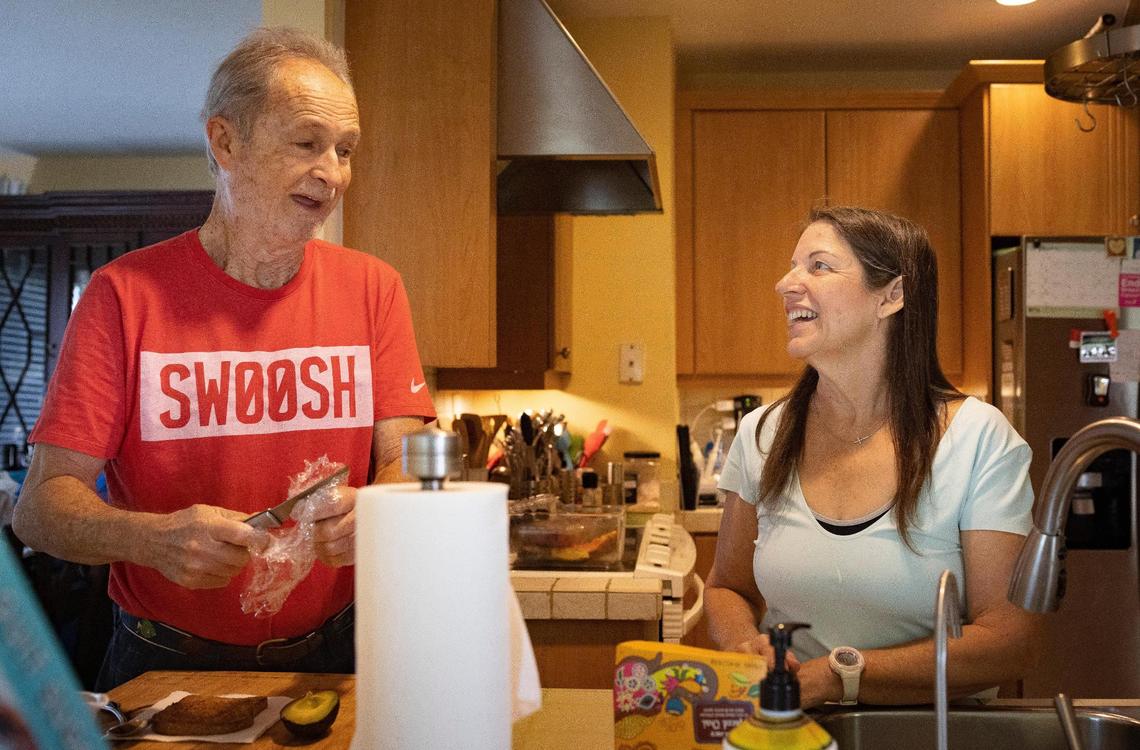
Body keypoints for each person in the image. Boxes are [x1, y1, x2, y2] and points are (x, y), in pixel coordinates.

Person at [12, 27, 436, 689]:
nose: (332, 173)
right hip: (164, 663)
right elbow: (39, 508)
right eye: (307, 143)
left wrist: (381, 509)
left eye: (345, 149)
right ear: (225, 143)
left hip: (340, 653)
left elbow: (405, 456)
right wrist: (150, 539)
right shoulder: (122, 295)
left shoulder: (373, 289)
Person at [704, 205, 1044, 707]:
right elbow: (727, 587)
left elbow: (1010, 641)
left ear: (892, 296)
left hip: (931, 733)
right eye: (793, 266)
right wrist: (741, 644)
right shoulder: (763, 434)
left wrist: (841, 675)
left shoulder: (978, 439)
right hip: (793, 728)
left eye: (819, 266)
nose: (785, 284)